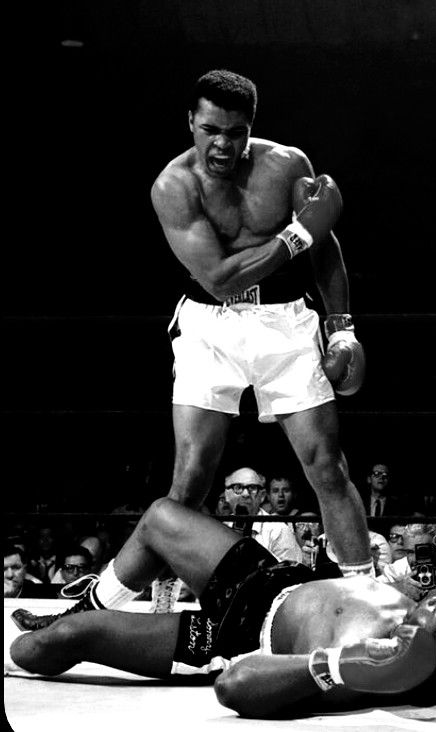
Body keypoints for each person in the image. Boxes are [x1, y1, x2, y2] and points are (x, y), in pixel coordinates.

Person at [148, 68, 370, 578]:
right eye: (210, 131)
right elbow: (221, 280)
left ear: (251, 125)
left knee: (326, 466)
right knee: (190, 479)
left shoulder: (287, 165)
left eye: (235, 131)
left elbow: (325, 249)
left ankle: (365, 593)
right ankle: (158, 601)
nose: (222, 144)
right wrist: (297, 235)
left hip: (284, 321)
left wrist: (342, 327)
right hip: (210, 324)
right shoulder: (174, 186)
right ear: (190, 123)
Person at [8, 499, 436, 719]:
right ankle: (92, 599)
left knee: (48, 646)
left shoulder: (368, 665)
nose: (425, 604)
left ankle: (61, 629)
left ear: (421, 652)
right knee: (162, 516)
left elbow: (235, 686)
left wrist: (346, 664)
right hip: (271, 578)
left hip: (232, 638)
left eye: (428, 615)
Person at [223, 467, 302, 562]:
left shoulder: (278, 530)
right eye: (238, 488)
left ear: (262, 496)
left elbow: (291, 572)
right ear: (227, 495)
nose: (245, 494)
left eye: (252, 488)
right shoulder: (219, 528)